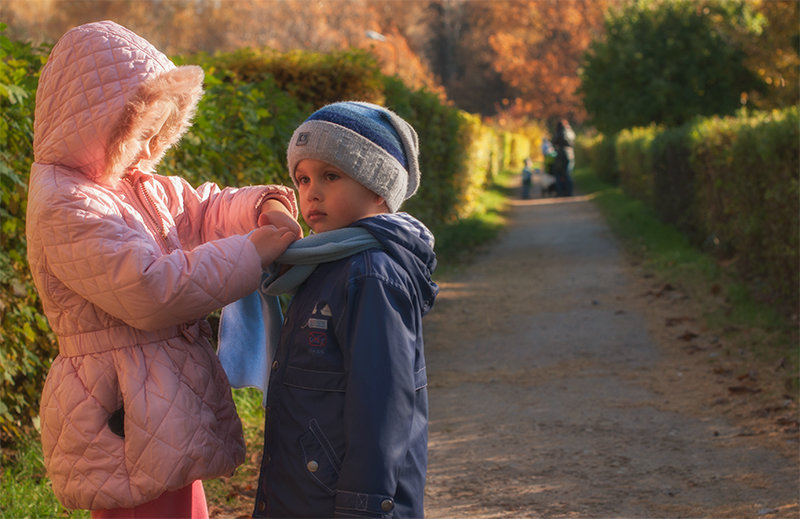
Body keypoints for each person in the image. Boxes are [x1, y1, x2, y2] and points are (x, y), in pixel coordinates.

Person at [26, 20, 301, 518]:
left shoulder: (131, 184)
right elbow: (150, 289)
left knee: (185, 508)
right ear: (93, 121)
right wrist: (253, 250)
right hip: (122, 409)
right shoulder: (66, 204)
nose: (151, 151)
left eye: (160, 134)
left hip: (158, 401)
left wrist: (264, 206)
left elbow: (202, 208)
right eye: (139, 133)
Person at [251, 101, 439, 518]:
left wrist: (363, 509)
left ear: (377, 187)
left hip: (347, 502)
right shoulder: (322, 263)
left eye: (330, 176)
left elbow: (382, 406)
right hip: (308, 495)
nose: (311, 192)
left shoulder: (370, 275)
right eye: (302, 179)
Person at [551, 119, 576, 197]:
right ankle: (569, 192)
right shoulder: (569, 132)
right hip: (570, 154)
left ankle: (560, 191)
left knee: (559, 174)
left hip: (561, 155)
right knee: (567, 174)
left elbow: (553, 142)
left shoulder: (558, 133)